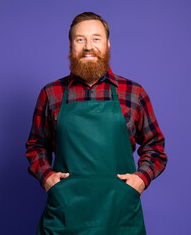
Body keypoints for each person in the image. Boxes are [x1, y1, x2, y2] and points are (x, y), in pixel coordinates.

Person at [25, 12, 167, 235]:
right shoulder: (51, 94)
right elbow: (35, 146)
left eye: (96, 38)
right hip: (66, 216)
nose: (88, 46)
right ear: (71, 46)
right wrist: (47, 177)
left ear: (108, 44)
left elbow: (155, 147)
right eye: (80, 39)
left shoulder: (133, 93)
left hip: (119, 215)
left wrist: (141, 179)